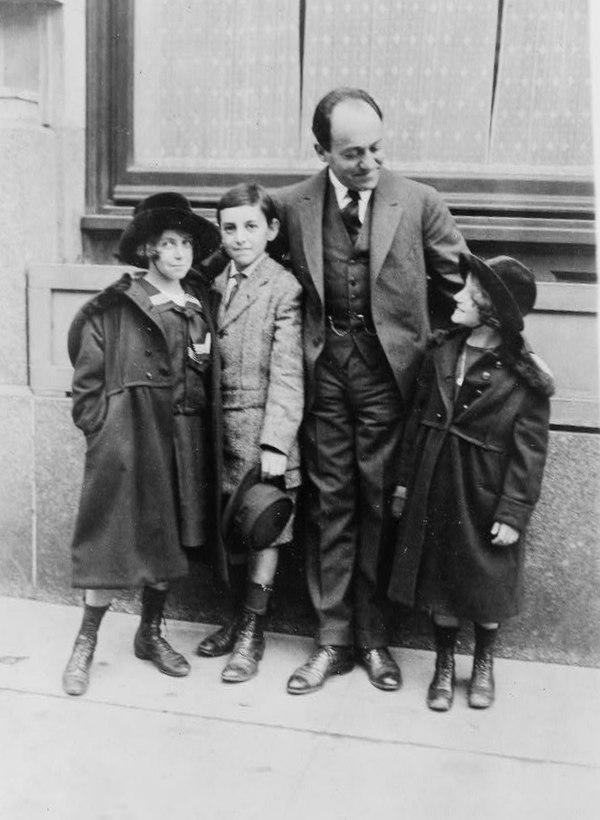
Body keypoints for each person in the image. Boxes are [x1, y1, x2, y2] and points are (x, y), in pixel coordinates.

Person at [273, 87, 467, 695]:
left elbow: (466, 288)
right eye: (353, 152)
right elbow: (240, 261)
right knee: (331, 501)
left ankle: (375, 638)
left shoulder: (419, 202)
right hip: (324, 374)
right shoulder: (289, 205)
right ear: (321, 151)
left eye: (378, 147)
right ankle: (332, 641)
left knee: (382, 501)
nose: (369, 162)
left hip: (390, 380)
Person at [62, 192, 224, 696]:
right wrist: (102, 430)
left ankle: (150, 633)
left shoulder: (198, 304)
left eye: (187, 244)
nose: (180, 253)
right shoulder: (115, 307)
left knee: (170, 535)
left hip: (184, 440)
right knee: (111, 537)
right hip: (130, 440)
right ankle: (85, 641)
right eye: (169, 244)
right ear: (149, 250)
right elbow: (87, 382)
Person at [388, 253, 554, 711]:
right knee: (439, 580)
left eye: (469, 292)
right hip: (435, 483)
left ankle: (483, 662)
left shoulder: (524, 375)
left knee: (485, 582)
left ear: (491, 308)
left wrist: (514, 510)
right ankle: (444, 663)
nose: (457, 296)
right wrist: (404, 485)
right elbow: (415, 423)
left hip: (484, 491)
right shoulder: (442, 352)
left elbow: (530, 451)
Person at [195, 182, 304, 683]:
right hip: (219, 431)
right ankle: (235, 617)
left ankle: (253, 632)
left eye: (251, 227)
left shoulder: (284, 288)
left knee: (266, 529)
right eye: (230, 228)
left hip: (261, 433)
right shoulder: (212, 282)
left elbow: (287, 372)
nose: (240, 237)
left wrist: (276, 443)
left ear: (271, 230)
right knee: (229, 531)